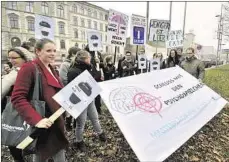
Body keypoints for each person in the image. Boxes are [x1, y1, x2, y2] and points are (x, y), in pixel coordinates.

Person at [11, 38, 69, 162]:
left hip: (56, 121)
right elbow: (17, 98)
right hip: (42, 122)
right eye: (48, 50)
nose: (53, 53)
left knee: (55, 151)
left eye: (54, 50)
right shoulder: (29, 68)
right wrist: (36, 120)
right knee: (40, 153)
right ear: (38, 51)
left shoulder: (52, 68)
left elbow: (57, 92)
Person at [67, 50, 106, 152]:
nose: (91, 60)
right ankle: (79, 141)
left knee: (95, 118)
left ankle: (101, 133)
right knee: (81, 123)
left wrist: (98, 72)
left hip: (90, 98)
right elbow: (73, 87)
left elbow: (93, 80)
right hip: (80, 101)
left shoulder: (88, 68)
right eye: (89, 58)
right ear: (85, 59)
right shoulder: (73, 71)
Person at [1, 47, 35, 162]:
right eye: (9, 58)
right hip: (25, 109)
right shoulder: (32, 69)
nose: (11, 60)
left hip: (20, 109)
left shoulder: (17, 72)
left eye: (15, 58)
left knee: (15, 134)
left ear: (24, 58)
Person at [59, 46, 81, 131]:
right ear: (72, 54)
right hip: (68, 89)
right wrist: (72, 86)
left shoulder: (77, 64)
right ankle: (68, 124)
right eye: (78, 54)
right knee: (69, 108)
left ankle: (76, 124)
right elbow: (63, 78)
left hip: (77, 89)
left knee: (77, 107)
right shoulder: (65, 64)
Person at [85, 44, 104, 114]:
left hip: (97, 76)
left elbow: (102, 65)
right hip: (88, 76)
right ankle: (89, 111)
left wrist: (99, 62)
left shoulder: (98, 53)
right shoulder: (85, 53)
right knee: (88, 93)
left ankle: (98, 108)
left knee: (97, 94)